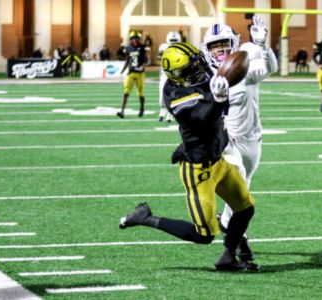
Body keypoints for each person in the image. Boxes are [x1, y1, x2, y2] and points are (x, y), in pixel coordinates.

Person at [119, 42, 257, 272]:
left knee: (245, 208)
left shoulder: (201, 73)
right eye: (192, 70)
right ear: (177, 76)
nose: (200, 71)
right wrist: (219, 100)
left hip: (219, 161)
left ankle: (228, 256)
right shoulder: (175, 95)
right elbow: (202, 118)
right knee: (203, 235)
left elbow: (223, 82)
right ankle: (146, 218)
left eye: (198, 64)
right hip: (198, 172)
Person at [201, 16, 277, 267]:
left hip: (253, 138)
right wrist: (216, 98)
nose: (220, 49)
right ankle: (232, 248)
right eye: (214, 45)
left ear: (234, 43)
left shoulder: (243, 69)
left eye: (224, 43)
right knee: (241, 193)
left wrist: (263, 46)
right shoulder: (204, 76)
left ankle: (231, 230)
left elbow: (270, 68)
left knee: (243, 191)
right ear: (207, 49)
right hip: (227, 142)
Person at [117, 31, 149, 118]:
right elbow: (127, 60)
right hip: (130, 73)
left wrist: (143, 67)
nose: (135, 40)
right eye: (133, 38)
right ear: (131, 39)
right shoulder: (128, 48)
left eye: (136, 38)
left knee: (140, 93)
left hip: (140, 74)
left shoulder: (142, 47)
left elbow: (146, 60)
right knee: (126, 92)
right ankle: (122, 111)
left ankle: (142, 109)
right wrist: (122, 71)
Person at [157, 31, 182, 122]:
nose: (173, 42)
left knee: (174, 95)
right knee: (161, 95)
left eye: (175, 40)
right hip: (165, 74)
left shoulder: (181, 48)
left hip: (176, 75)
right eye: (172, 40)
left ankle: (171, 113)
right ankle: (162, 110)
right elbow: (159, 56)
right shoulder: (163, 47)